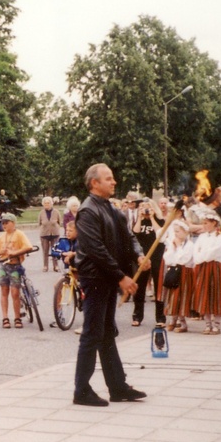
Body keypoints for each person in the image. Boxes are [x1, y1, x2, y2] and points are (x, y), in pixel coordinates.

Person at [71, 164, 148, 407]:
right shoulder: (87, 211)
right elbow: (96, 250)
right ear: (94, 183)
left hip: (107, 278)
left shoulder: (111, 209)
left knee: (106, 333)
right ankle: (81, 390)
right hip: (95, 279)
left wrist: (138, 255)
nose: (114, 182)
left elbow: (129, 236)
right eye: (109, 179)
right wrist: (120, 277)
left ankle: (117, 387)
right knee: (92, 334)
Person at [0, 213, 33, 329]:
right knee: (4, 290)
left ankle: (17, 317)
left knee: (15, 292)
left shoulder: (19, 235)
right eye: (3, 223)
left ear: (13, 223)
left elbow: (28, 247)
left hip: (15, 265)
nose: (4, 225)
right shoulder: (1, 237)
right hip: (3, 265)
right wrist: (2, 251)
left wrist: (15, 253)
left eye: (7, 222)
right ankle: (5, 317)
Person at [132, 198, 166, 326]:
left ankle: (160, 318)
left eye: (148, 207)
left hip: (157, 255)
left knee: (158, 286)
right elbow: (135, 233)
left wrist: (152, 217)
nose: (145, 210)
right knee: (140, 286)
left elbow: (160, 234)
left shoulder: (160, 220)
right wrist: (140, 218)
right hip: (143, 255)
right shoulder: (139, 220)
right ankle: (137, 316)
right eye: (142, 208)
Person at [37, 196, 62, 272]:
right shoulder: (41, 213)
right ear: (43, 204)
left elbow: (59, 222)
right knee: (45, 251)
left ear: (51, 204)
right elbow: (39, 223)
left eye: (48, 203)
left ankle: (56, 265)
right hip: (44, 234)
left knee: (55, 250)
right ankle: (45, 266)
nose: (47, 204)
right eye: (45, 203)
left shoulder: (56, 212)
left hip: (55, 234)